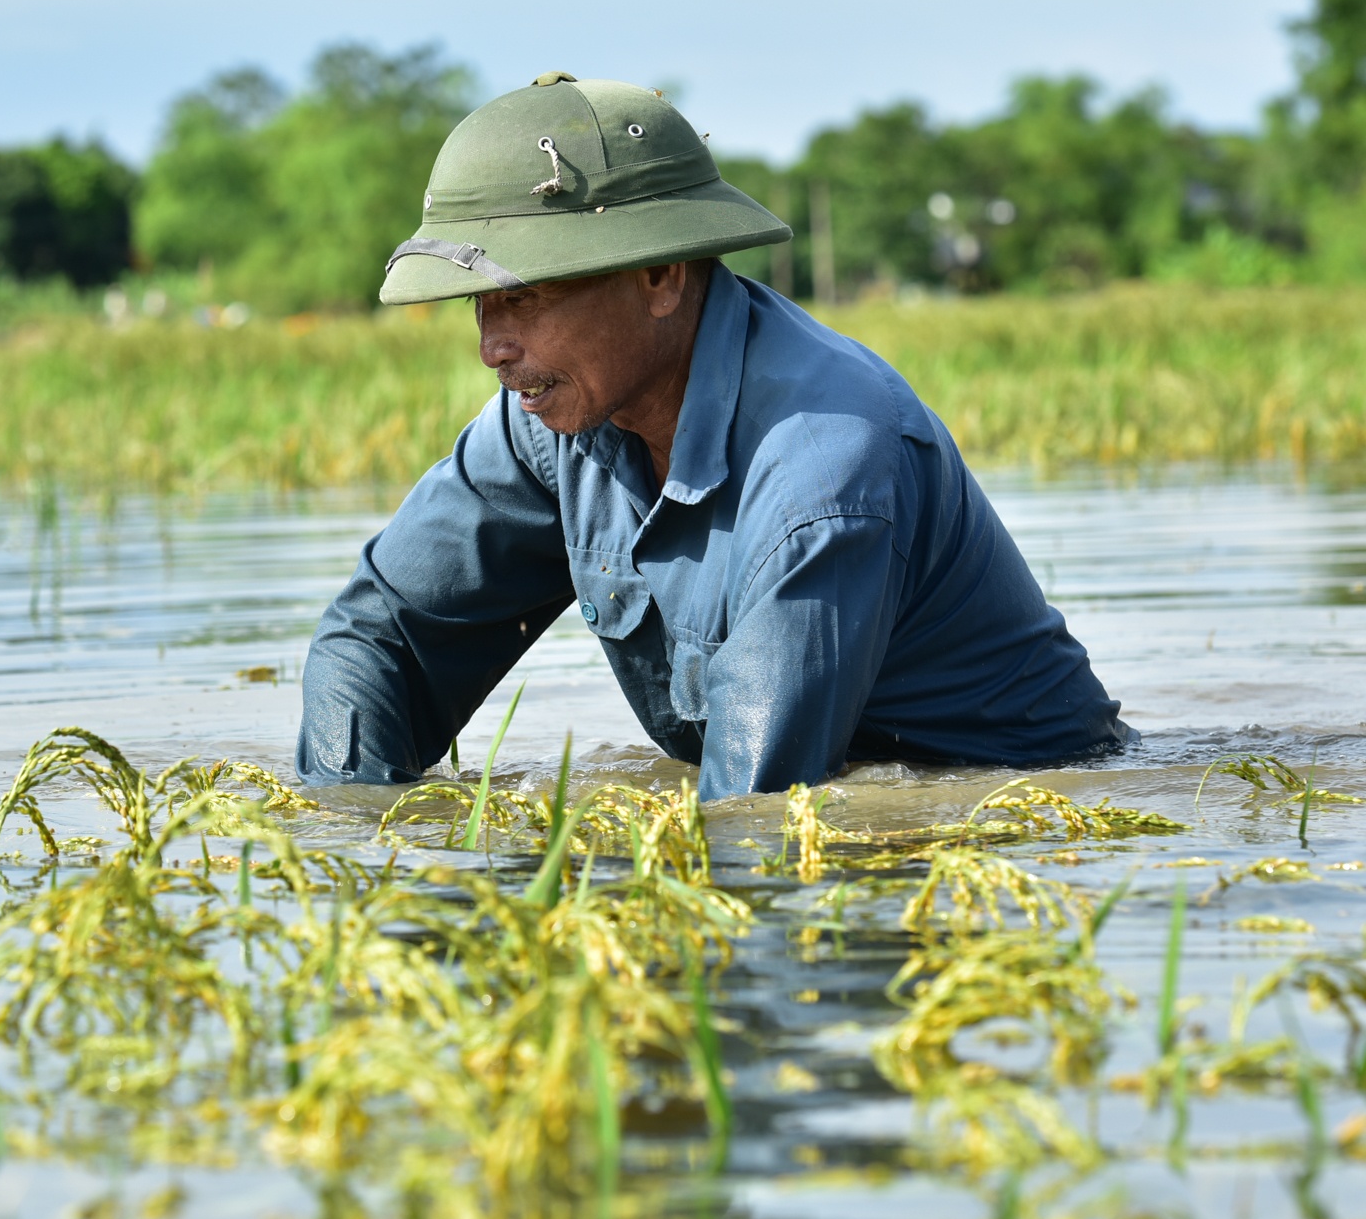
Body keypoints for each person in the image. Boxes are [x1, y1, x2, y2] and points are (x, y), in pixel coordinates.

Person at [295, 72, 1129, 798]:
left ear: (660, 276)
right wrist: (366, 858)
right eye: (478, 303)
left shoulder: (823, 472)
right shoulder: (551, 422)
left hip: (1017, 811)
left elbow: (756, 820)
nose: (491, 347)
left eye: (525, 296)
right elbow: (377, 641)